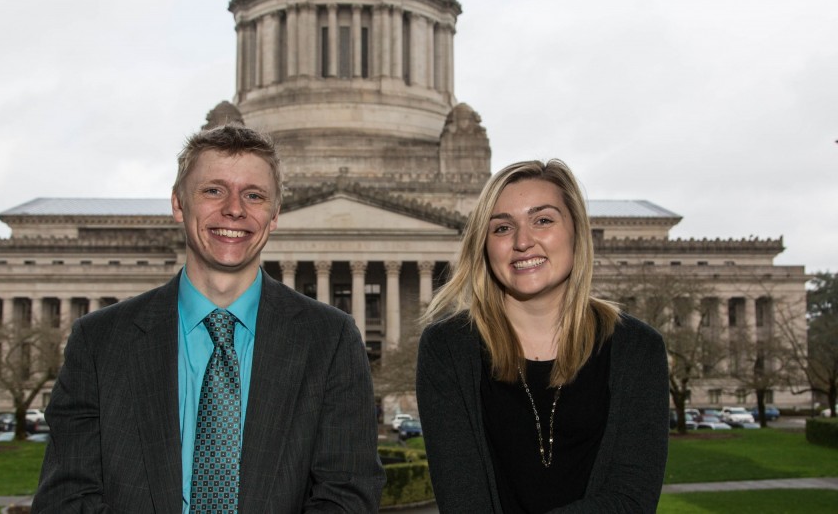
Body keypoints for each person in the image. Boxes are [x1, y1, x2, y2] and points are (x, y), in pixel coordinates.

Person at [33, 125, 384, 513]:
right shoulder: (99, 341)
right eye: (213, 190)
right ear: (179, 204)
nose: (234, 209)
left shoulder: (330, 339)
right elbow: (66, 498)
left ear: (274, 215)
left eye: (253, 195)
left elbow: (347, 494)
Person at [416, 159, 669, 513]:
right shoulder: (448, 348)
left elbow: (631, 498)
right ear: (484, 246)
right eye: (502, 228)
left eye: (543, 220)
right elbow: (463, 499)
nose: (523, 241)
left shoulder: (637, 348)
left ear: (577, 231)